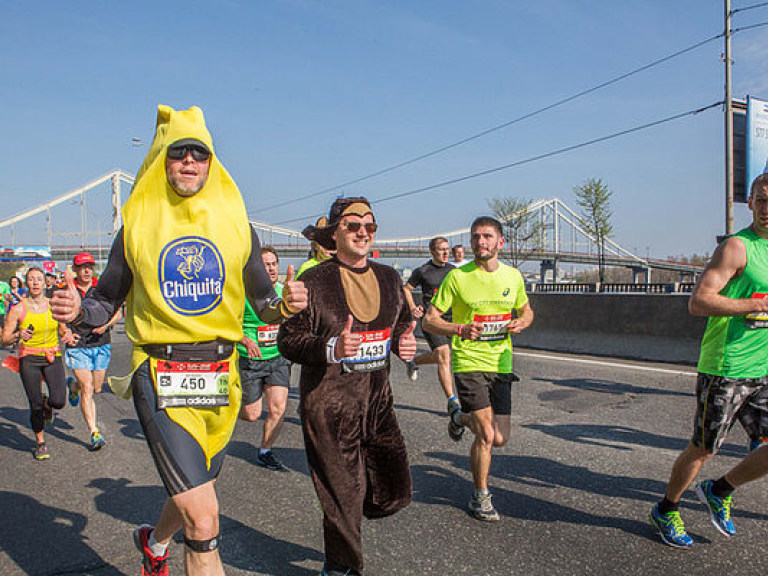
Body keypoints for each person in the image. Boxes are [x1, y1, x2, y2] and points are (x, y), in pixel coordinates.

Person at [50, 105, 307, 576]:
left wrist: (286, 305)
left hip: (221, 380)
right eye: (179, 153)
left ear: (212, 164)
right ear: (161, 162)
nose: (189, 162)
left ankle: (154, 541)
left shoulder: (237, 227)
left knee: (193, 491)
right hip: (162, 376)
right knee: (205, 518)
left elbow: (264, 305)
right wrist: (79, 311)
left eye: (200, 154)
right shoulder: (137, 228)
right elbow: (106, 300)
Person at [278, 197, 417, 576]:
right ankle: (340, 567)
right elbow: (288, 341)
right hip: (330, 406)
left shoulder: (390, 278)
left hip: (377, 403)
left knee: (395, 492)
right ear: (334, 233)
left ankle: (346, 520)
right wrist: (331, 348)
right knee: (344, 495)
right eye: (353, 225)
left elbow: (402, 325)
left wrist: (404, 345)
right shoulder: (314, 280)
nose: (362, 232)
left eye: (369, 226)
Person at [648, 172, 768, 548]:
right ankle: (667, 509)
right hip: (726, 366)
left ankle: (720, 489)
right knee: (704, 447)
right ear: (749, 203)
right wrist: (752, 305)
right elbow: (698, 301)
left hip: (763, 369)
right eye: (761, 200)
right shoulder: (737, 247)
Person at [423, 216, 533, 522]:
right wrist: (459, 328)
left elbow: (526, 310)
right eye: (475, 237)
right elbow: (429, 320)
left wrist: (523, 321)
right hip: (469, 362)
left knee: (500, 438)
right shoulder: (457, 278)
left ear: (500, 242)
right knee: (485, 432)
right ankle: (480, 496)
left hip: (501, 363)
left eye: (486, 237)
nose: (480, 242)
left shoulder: (513, 277)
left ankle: (459, 416)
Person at [1, 267, 74, 459]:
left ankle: (48, 404)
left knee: (58, 400)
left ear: (44, 283)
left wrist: (66, 334)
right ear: (26, 283)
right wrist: (18, 335)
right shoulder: (18, 309)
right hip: (29, 358)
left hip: (52, 355)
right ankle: (40, 442)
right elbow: (4, 339)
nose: (35, 283)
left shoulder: (53, 306)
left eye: (39, 279)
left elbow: (62, 329)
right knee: (35, 406)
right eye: (31, 279)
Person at [237, 245, 292, 471]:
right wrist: (246, 340)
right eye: (265, 264)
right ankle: (232, 405)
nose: (270, 268)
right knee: (252, 414)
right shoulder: (243, 294)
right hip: (250, 359)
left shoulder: (283, 291)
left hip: (278, 359)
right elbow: (228, 324)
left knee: (278, 409)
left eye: (273, 264)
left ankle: (265, 451)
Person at [63, 252, 122, 451]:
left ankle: (73, 387)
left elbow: (118, 312)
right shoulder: (68, 290)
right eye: (82, 267)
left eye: (89, 266)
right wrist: (66, 332)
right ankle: (94, 432)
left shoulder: (101, 289)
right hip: (78, 345)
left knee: (96, 388)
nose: (86, 270)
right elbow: (60, 317)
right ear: (75, 269)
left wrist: (106, 325)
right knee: (87, 388)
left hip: (101, 343)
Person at [403, 236, 459, 411]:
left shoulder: (454, 271)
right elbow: (406, 289)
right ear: (432, 251)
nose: (445, 253)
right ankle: (452, 401)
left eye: (447, 249)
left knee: (444, 356)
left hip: (452, 319)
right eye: (441, 249)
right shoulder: (423, 271)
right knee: (443, 354)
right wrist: (413, 307)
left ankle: (414, 362)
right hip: (431, 320)